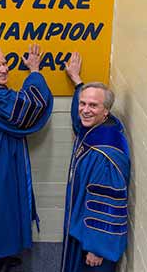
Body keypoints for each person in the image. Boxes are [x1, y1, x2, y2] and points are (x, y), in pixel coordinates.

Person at [0, 44, 54, 271]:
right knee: (0, 212)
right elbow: (31, 106)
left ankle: (4, 256)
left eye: (4, 63)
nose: (4, 69)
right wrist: (34, 72)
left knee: (3, 211)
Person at [61, 53, 131, 272]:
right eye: (82, 103)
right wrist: (77, 82)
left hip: (93, 243)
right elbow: (79, 120)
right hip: (83, 232)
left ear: (106, 111)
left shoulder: (105, 155)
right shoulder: (101, 127)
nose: (84, 109)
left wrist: (96, 248)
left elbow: (106, 204)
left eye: (93, 105)